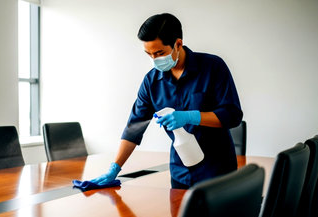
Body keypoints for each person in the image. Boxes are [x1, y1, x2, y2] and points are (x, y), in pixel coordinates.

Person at [90, 13, 243, 189]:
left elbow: (232, 115)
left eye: (160, 53)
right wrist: (114, 168)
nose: (155, 60)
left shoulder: (213, 67)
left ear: (178, 44)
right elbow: (134, 128)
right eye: (149, 54)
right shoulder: (152, 82)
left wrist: (192, 116)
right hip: (180, 173)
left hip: (217, 171)